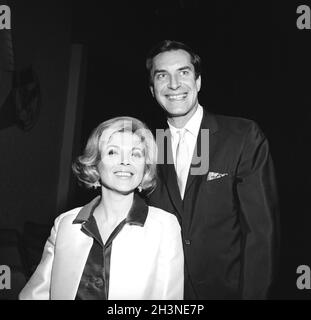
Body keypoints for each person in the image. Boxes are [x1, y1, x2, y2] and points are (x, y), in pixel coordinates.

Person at [146, 40, 280, 299]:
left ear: (197, 82)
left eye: (183, 72)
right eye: (162, 76)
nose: (174, 84)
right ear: (153, 89)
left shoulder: (241, 136)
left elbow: (261, 233)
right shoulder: (147, 144)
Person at [19, 116, 184, 300]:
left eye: (136, 154)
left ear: (145, 167)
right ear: (95, 163)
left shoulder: (165, 227)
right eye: (113, 152)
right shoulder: (65, 224)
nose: (125, 161)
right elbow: (35, 295)